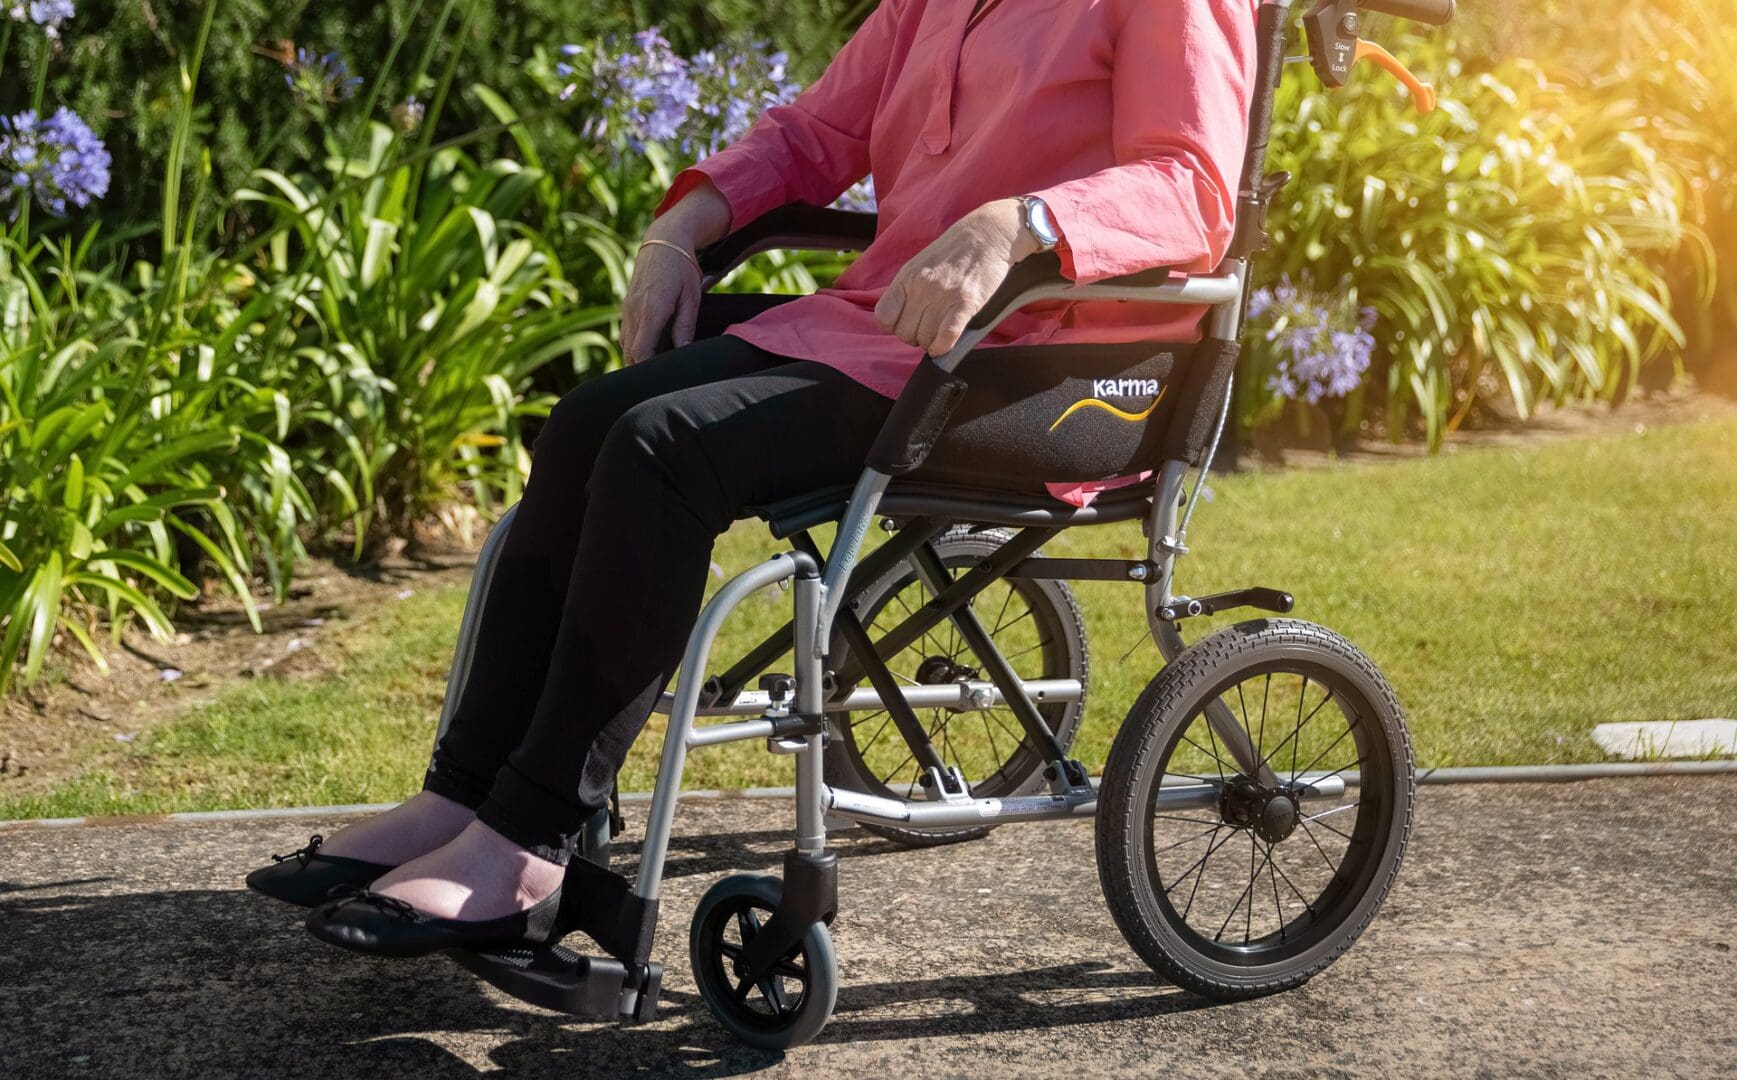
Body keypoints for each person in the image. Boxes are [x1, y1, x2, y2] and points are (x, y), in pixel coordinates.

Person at [247, 0, 1257, 955]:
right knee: (590, 420)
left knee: (664, 449)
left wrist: (1014, 225)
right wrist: (679, 228)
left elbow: (1194, 188)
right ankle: (463, 795)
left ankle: (526, 848)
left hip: (1051, 370)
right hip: (890, 337)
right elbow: (818, 130)